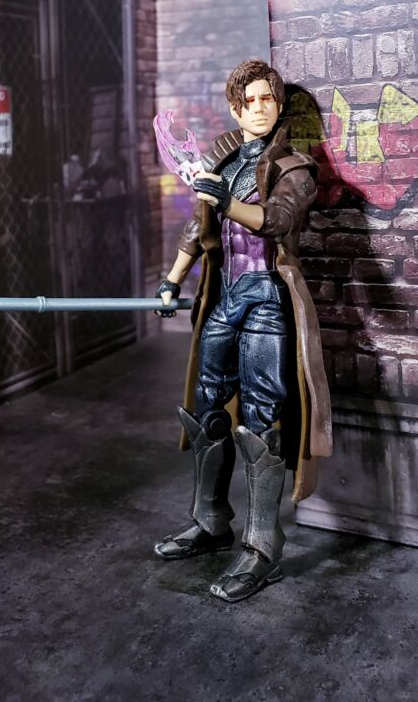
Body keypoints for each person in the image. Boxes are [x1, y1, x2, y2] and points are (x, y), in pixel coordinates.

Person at [154, 58, 332, 602]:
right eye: (247, 101)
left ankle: (262, 547)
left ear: (279, 105)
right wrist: (172, 280)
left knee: (260, 420)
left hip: (268, 300)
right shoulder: (226, 161)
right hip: (226, 296)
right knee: (208, 407)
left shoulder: (295, 168)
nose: (257, 109)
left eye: (266, 99)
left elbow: (278, 221)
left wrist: (225, 200)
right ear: (235, 109)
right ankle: (210, 521)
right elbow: (198, 226)